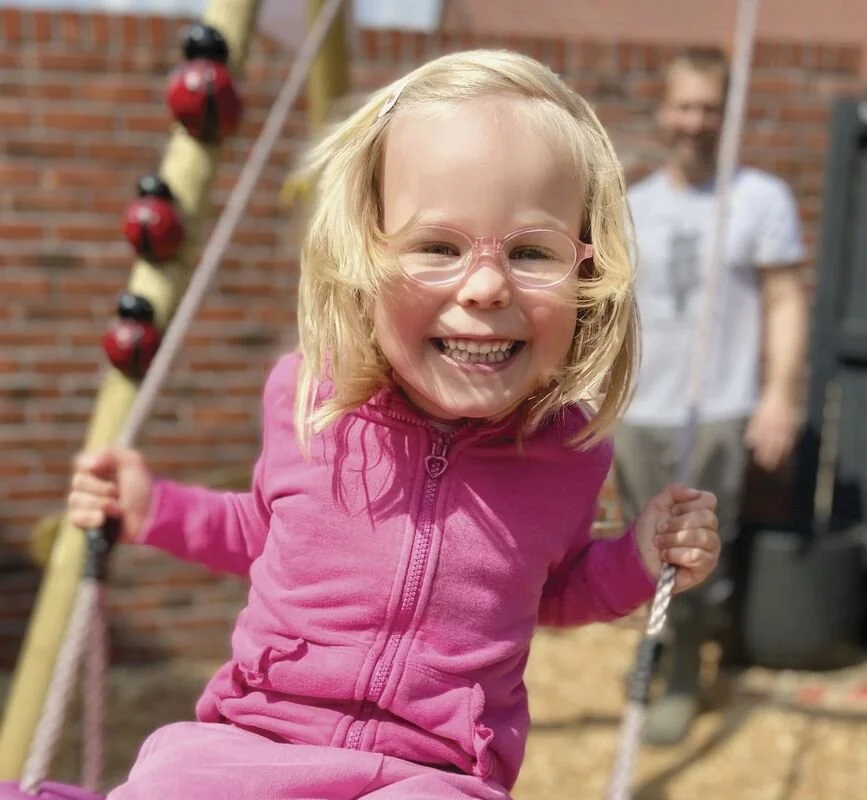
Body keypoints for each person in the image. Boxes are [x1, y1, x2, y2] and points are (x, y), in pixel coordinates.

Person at [68, 50, 721, 800]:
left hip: (433, 770)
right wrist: (155, 510)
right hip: (257, 736)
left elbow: (552, 590)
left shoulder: (566, 451)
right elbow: (270, 534)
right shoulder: (312, 400)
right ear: (362, 257)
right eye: (438, 247)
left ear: (589, 274)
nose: (485, 286)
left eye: (532, 252)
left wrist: (639, 557)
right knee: (166, 780)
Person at [615, 47, 808, 746]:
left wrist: (778, 396)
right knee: (640, 549)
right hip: (637, 413)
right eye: (684, 106)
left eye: (708, 108)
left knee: (694, 555)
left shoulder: (759, 199)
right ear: (662, 109)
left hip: (717, 410)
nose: (695, 121)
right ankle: (661, 643)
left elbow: (785, 300)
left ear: (728, 114)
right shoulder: (630, 206)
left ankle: (683, 677)